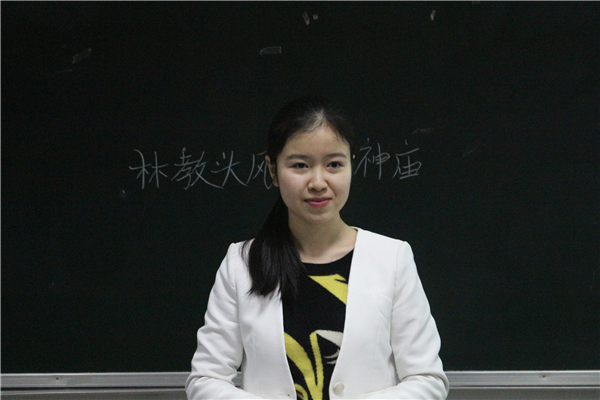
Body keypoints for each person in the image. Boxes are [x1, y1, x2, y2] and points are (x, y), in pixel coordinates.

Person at [186, 96, 449, 400]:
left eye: (334, 164)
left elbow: (427, 380)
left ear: (351, 165)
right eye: (300, 165)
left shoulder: (392, 259)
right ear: (272, 170)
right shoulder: (242, 263)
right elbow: (205, 380)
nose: (318, 182)